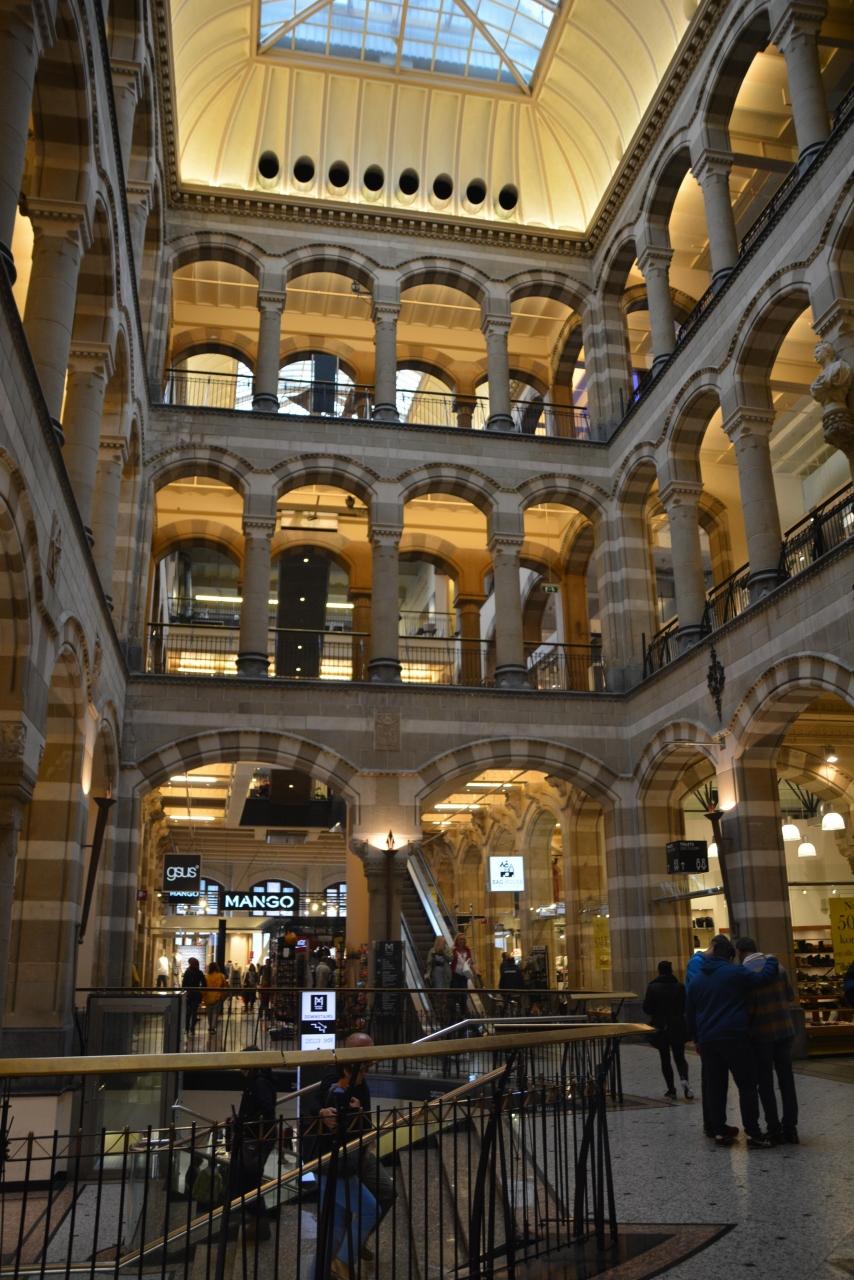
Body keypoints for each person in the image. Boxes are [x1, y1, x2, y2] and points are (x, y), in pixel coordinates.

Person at [304, 1032, 395, 1279]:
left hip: (352, 1158)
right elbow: (322, 1105)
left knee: (335, 1231)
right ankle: (343, 1259)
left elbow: (361, 1125)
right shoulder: (337, 1080)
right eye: (366, 1058)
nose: (371, 1062)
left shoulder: (359, 1082)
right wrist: (324, 1112)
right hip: (337, 1163)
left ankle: (348, 1250)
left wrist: (360, 1112)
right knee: (364, 1212)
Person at [684, 935, 780, 1148]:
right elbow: (762, 978)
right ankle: (753, 1133)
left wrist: (696, 1038)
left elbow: (689, 1012)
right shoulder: (734, 973)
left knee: (716, 1087)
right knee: (746, 1085)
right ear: (729, 956)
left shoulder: (697, 979)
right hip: (734, 1037)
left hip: (708, 1041)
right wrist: (772, 960)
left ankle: (720, 1131)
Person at [735, 936, 799, 1144]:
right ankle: (790, 1128)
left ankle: (774, 1128)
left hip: (761, 1034)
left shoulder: (744, 974)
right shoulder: (778, 967)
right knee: (787, 1080)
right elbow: (790, 996)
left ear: (740, 953)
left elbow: (747, 1008)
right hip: (784, 1030)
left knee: (765, 1082)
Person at [230, 1046, 278, 1239]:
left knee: (249, 1180)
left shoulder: (259, 1082)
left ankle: (259, 1224)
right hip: (256, 1136)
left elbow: (266, 1109)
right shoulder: (261, 1080)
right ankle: (257, 1224)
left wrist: (245, 1122)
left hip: (255, 1138)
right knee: (250, 1180)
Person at [642, 960, 694, 1100]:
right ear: (671, 971)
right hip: (677, 1026)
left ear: (659, 971)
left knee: (665, 1058)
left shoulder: (652, 987)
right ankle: (684, 1080)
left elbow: (647, 1008)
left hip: (661, 1027)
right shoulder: (679, 986)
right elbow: (685, 1006)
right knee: (680, 1057)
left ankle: (671, 1089)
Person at [450, 933, 476, 1020]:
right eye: (460, 939)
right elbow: (450, 960)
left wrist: (475, 971)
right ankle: (454, 1015)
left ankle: (463, 1015)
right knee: (455, 995)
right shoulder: (453, 950)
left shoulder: (467, 950)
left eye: (463, 939)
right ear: (457, 940)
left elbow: (470, 962)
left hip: (463, 976)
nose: (462, 941)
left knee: (464, 996)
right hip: (455, 975)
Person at [202, 961, 229, 1039]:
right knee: (215, 1013)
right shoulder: (221, 976)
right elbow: (224, 985)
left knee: (209, 1013)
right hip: (218, 996)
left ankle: (210, 1026)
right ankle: (213, 1027)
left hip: (208, 997)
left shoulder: (206, 977)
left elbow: (204, 987)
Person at [181, 956, 206, 1034]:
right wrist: (200, 990)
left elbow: (184, 984)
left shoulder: (187, 972)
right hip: (196, 994)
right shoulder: (199, 972)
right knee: (194, 1012)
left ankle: (187, 1028)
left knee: (188, 1012)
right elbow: (204, 984)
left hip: (188, 994)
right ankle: (192, 1029)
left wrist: (184, 991)